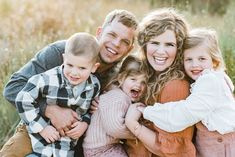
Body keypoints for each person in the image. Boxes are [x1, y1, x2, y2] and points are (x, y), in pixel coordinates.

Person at [0, 9, 138, 157]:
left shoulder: (119, 79)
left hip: (70, 146)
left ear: (129, 49)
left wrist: (96, 110)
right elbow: (13, 87)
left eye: (125, 42)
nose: (116, 44)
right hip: (34, 132)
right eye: (112, 35)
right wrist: (50, 110)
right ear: (99, 32)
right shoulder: (64, 53)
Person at [138, 28, 235, 157]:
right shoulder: (211, 79)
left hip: (221, 147)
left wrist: (148, 112)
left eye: (202, 59)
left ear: (215, 61)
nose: (195, 64)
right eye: (189, 59)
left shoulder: (210, 82)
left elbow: (183, 114)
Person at [125, 8, 196, 157]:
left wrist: (133, 125)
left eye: (169, 44)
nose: (161, 51)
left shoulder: (175, 86)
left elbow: (172, 151)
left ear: (179, 48)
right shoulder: (147, 74)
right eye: (155, 42)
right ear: (145, 45)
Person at [15, 32, 101, 157]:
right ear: (64, 58)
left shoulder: (94, 86)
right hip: (40, 147)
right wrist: (42, 128)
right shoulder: (47, 79)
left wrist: (84, 123)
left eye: (82, 68)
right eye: (70, 65)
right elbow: (22, 99)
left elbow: (88, 110)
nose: (74, 73)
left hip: (65, 150)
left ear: (94, 67)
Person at [83, 55, 150, 157]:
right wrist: (139, 133)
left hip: (107, 146)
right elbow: (115, 128)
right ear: (121, 79)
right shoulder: (118, 97)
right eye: (133, 79)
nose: (138, 85)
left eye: (143, 82)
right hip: (99, 150)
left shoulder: (122, 96)